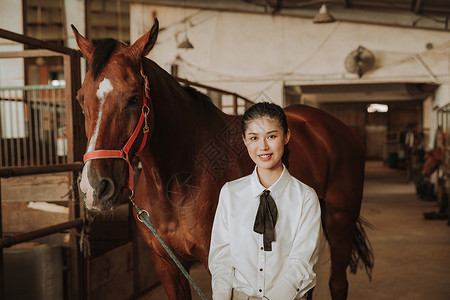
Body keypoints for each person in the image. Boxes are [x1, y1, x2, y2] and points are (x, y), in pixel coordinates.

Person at [208, 102, 322, 300]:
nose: (263, 146)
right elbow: (222, 257)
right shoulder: (230, 193)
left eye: (271, 136)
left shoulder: (305, 197)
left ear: (286, 136)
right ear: (244, 140)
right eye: (254, 138)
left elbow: (302, 262)